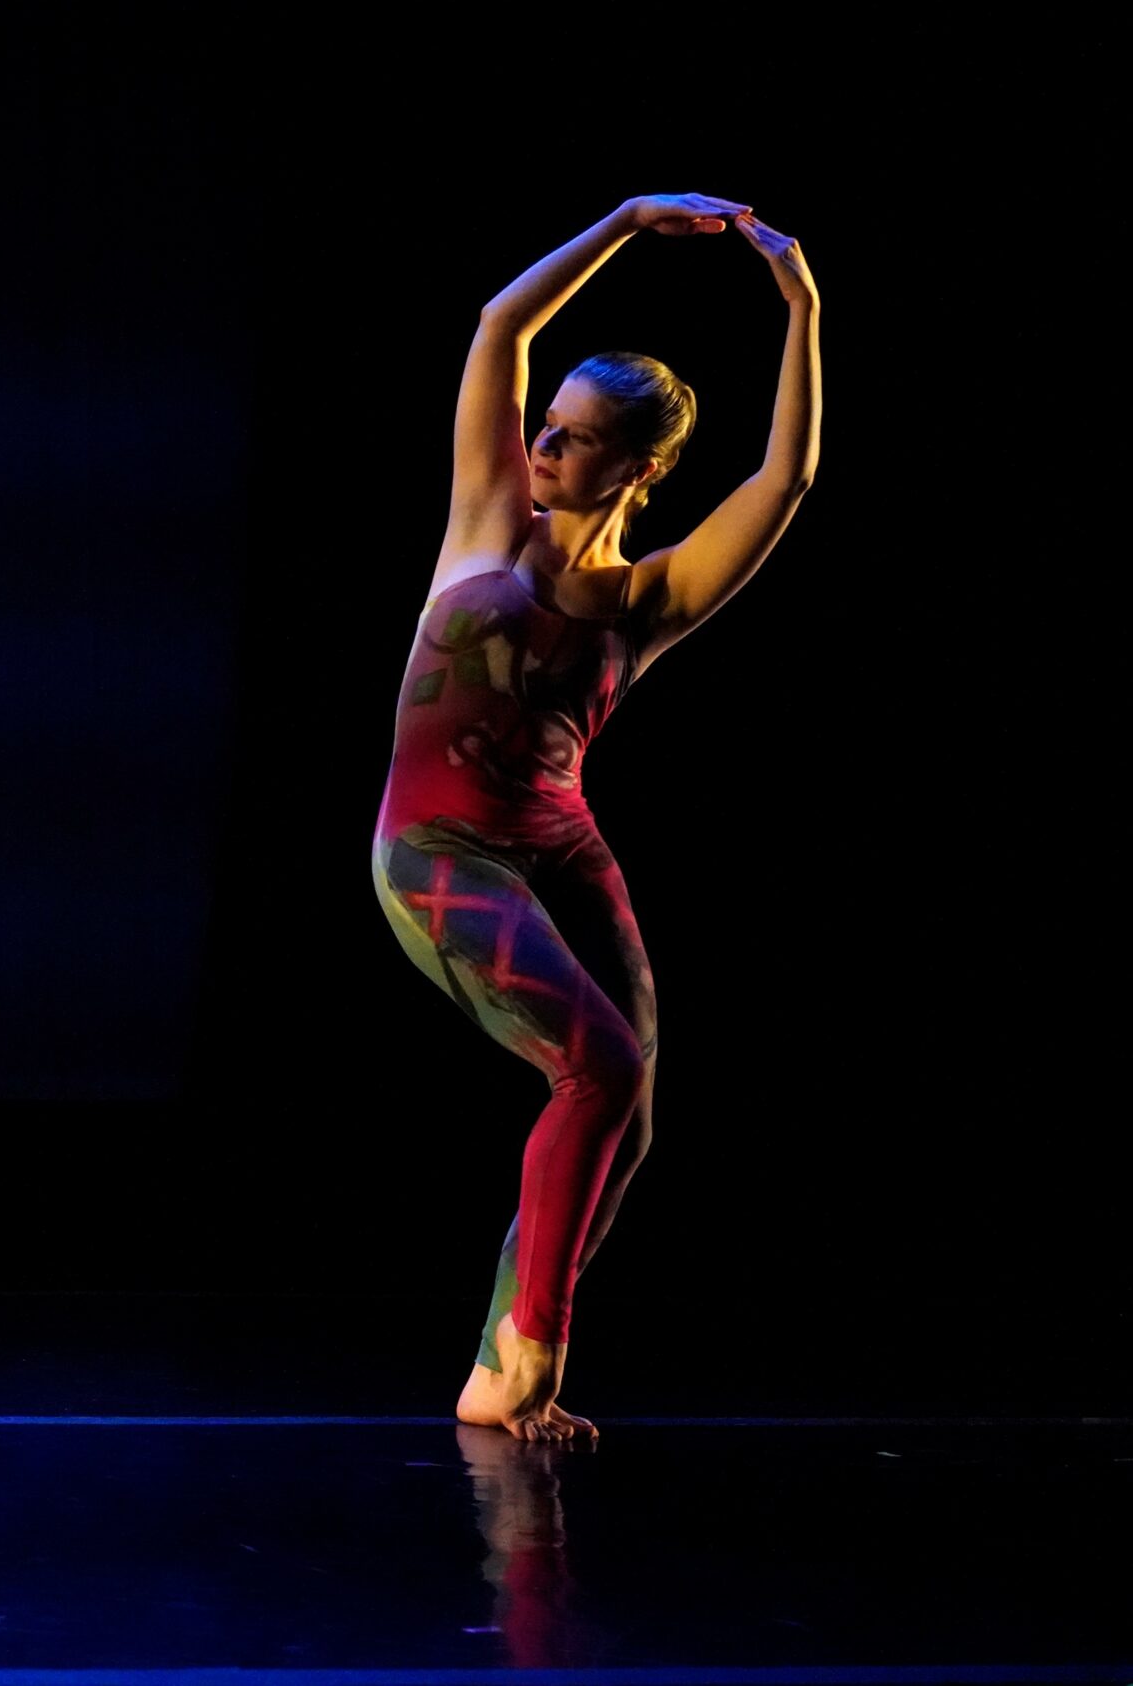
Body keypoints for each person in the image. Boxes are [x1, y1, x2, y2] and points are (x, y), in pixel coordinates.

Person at [374, 197, 821, 1438]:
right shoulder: (488, 516)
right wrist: (622, 223)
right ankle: (528, 1359)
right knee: (600, 1068)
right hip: (436, 847)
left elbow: (785, 478)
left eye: (575, 439)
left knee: (634, 1110)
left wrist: (800, 307)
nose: (544, 445)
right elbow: (499, 324)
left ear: (639, 468)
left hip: (558, 843)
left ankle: (504, 1355)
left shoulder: (652, 594)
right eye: (548, 424)